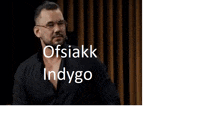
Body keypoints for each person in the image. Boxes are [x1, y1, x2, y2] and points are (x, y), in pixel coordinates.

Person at [12, 1, 120, 105]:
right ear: (37, 32)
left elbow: (112, 103)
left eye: (61, 23)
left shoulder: (87, 59)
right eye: (50, 25)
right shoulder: (24, 71)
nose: (57, 29)